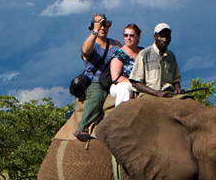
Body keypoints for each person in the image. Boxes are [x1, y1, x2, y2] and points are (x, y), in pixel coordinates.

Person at [74, 13, 121, 141]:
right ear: (92, 28)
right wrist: (95, 31)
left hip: (115, 80)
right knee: (97, 97)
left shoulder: (116, 44)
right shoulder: (91, 45)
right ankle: (82, 127)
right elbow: (85, 50)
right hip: (95, 82)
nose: (103, 28)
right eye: (99, 25)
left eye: (105, 25)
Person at [129, 22, 185, 98]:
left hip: (169, 93)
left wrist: (178, 88)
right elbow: (135, 82)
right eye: (161, 36)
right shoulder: (144, 54)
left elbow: (176, 79)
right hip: (149, 93)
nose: (164, 39)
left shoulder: (171, 56)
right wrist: (156, 93)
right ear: (155, 36)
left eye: (167, 37)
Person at [108, 24, 143, 106]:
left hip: (141, 83)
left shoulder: (143, 52)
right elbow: (116, 77)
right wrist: (134, 84)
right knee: (125, 88)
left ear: (138, 37)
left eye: (132, 35)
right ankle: (120, 115)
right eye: (126, 35)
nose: (128, 38)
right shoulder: (119, 54)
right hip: (121, 84)